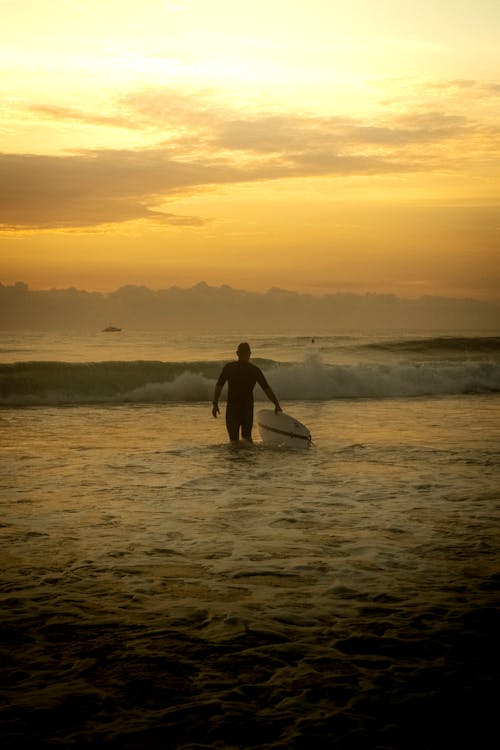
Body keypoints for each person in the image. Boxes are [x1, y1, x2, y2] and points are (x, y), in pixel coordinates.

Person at [212, 342, 282, 443]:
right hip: (247, 408)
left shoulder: (229, 368)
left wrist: (215, 403)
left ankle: (236, 458)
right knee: (247, 439)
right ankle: (247, 457)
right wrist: (276, 404)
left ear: (237, 353)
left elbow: (219, 385)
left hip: (233, 408)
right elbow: (266, 388)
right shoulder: (254, 370)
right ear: (249, 354)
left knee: (233, 441)